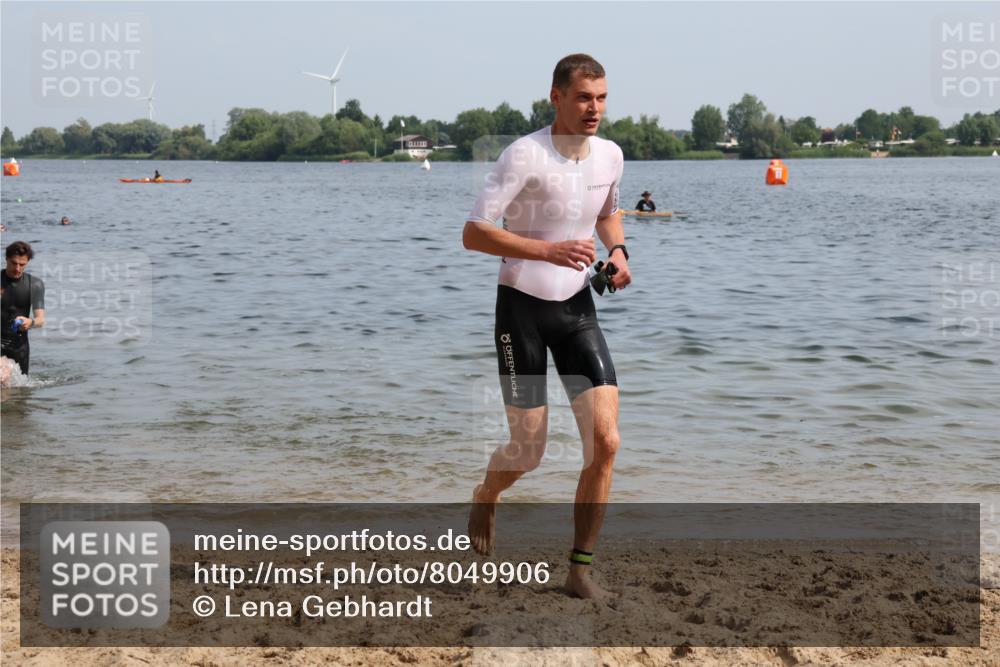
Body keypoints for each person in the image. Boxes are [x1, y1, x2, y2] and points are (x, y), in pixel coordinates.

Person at [463, 53, 631, 599]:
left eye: (602, 98)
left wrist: (619, 250)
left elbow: (606, 209)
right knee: (528, 452)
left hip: (577, 307)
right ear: (556, 97)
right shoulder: (524, 155)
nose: (594, 109)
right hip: (522, 311)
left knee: (606, 443)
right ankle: (487, 493)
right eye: (584, 97)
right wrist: (547, 249)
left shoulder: (610, 155)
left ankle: (579, 570)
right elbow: (474, 232)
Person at [1, 241, 46, 376]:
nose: (17, 268)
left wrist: (30, 322)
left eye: (22, 265)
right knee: (2, 376)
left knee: (17, 392)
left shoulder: (35, 284)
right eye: (13, 263)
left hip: (19, 346)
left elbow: (40, 320)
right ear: (6, 259)